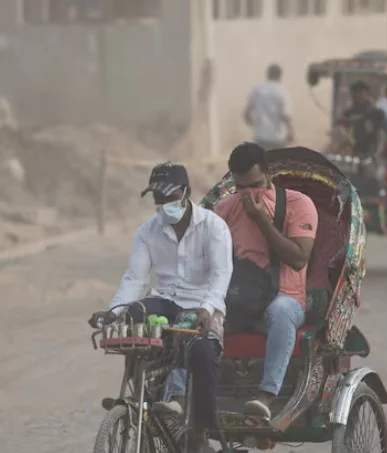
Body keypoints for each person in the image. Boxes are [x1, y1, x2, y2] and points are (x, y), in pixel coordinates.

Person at [87, 162, 233, 453]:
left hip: (202, 303)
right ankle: (138, 396)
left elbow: (221, 274)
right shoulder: (148, 231)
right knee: (134, 314)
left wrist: (207, 307)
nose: (164, 205)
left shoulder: (213, 227)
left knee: (204, 353)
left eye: (170, 197)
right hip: (165, 298)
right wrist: (114, 311)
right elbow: (135, 278)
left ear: (186, 193)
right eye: (158, 199)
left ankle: (199, 433)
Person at [214, 142, 318, 419]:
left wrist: (261, 220)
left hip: (285, 295)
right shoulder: (225, 208)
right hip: (240, 296)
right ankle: (179, 397)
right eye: (242, 188)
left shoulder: (299, 204)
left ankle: (266, 396)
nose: (249, 195)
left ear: (269, 174)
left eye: (256, 185)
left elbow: (298, 258)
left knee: (281, 311)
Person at [338, 81, 387, 182]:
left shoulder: (377, 114)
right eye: (354, 94)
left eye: (360, 94)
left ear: (367, 95)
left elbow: (380, 136)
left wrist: (374, 156)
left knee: (373, 178)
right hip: (353, 154)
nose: (357, 97)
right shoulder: (348, 113)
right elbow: (342, 133)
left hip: (373, 154)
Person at [243, 64, 294, 150]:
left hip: (261, 138)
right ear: (280, 76)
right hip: (278, 139)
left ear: (267, 75)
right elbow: (286, 116)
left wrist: (255, 126)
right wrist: (291, 133)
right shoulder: (283, 92)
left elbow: (246, 114)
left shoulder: (257, 90)